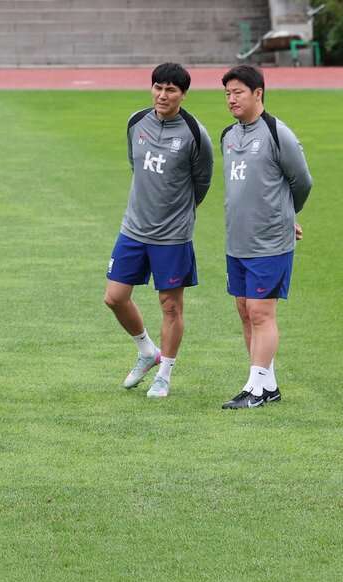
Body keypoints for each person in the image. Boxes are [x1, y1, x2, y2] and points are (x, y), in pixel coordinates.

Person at [104, 62, 213, 399]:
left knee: (170, 306)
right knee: (115, 297)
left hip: (173, 236)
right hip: (134, 228)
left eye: (171, 90)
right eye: (158, 88)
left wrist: (177, 212)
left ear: (183, 94)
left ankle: (164, 374)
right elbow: (135, 164)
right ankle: (147, 351)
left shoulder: (194, 132)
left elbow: (202, 181)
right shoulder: (136, 122)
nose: (163, 95)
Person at [218, 65, 312, 409]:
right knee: (244, 310)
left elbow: (302, 181)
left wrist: (289, 216)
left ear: (258, 93)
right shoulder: (229, 135)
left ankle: (254, 388)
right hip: (237, 240)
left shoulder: (277, 132)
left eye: (238, 92)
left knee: (260, 312)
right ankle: (267, 385)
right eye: (227, 93)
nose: (231, 99)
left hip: (270, 241)